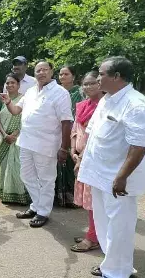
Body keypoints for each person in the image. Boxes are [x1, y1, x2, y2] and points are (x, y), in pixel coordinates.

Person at [77, 56, 145, 277]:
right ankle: (112, 264)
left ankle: (118, 271)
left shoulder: (136, 104)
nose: (98, 78)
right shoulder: (107, 99)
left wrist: (122, 176)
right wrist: (82, 161)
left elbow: (139, 145)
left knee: (119, 227)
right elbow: (92, 132)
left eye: (101, 74)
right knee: (103, 223)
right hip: (98, 173)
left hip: (118, 179)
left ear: (117, 76)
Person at [0, 61, 73, 228]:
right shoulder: (31, 91)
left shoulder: (60, 93)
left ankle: (43, 212)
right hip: (26, 142)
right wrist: (7, 101)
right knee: (26, 176)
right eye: (38, 70)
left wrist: (64, 148)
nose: (41, 73)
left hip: (46, 144)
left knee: (46, 179)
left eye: (44, 70)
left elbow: (67, 122)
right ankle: (36, 205)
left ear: (51, 72)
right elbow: (16, 111)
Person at [69, 71, 103, 253]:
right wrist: (73, 149)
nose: (88, 87)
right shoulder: (82, 106)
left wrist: (81, 158)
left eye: (92, 83)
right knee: (88, 200)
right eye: (85, 84)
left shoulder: (103, 107)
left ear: (100, 84)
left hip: (94, 159)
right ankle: (94, 234)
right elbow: (76, 129)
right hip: (80, 157)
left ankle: (93, 237)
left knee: (94, 201)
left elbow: (95, 135)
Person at [0, 73, 29, 205]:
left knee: (18, 166)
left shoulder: (24, 99)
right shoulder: (1, 99)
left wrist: (16, 134)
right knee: (5, 166)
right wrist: (5, 135)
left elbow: (26, 118)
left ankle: (20, 195)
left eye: (12, 83)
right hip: (4, 137)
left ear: (18, 85)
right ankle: (7, 193)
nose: (9, 85)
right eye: (7, 83)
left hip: (19, 138)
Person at [56, 65, 84, 207]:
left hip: (75, 132)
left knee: (72, 162)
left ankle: (74, 198)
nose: (62, 77)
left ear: (73, 76)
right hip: (58, 131)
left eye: (66, 74)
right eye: (60, 74)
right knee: (59, 163)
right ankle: (60, 196)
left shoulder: (79, 92)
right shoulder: (57, 92)